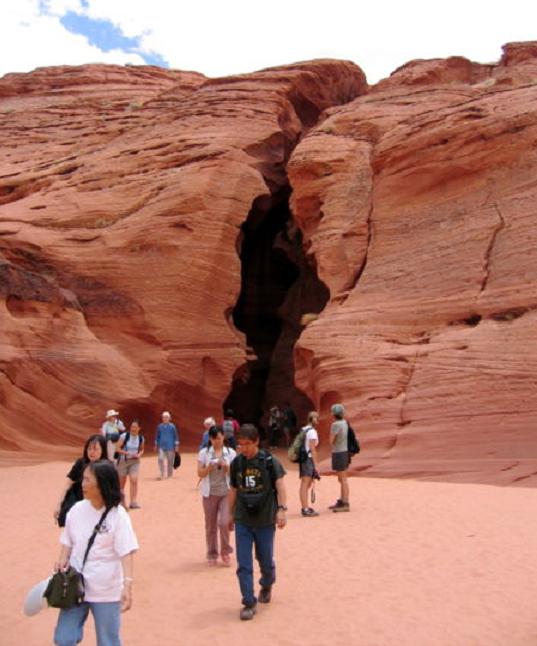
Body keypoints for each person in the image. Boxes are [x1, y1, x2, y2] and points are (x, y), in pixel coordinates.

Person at [52, 460, 138, 646]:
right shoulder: (76, 510)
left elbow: (126, 552)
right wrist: (61, 560)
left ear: (102, 483)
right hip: (76, 586)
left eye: (87, 480)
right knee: (63, 638)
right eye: (83, 480)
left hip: (106, 590)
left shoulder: (118, 515)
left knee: (108, 641)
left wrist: (127, 585)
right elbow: (67, 542)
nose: (82, 484)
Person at [228, 424, 287, 621]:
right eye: (240, 444)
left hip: (264, 520)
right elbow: (234, 490)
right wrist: (229, 514)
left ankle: (267, 582)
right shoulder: (237, 463)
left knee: (265, 560)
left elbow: (280, 485)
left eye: (246, 444)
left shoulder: (269, 462)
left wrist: (282, 510)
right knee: (243, 563)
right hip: (243, 519)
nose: (243, 448)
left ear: (256, 442)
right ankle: (248, 602)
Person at [197, 426, 236, 566]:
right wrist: (208, 467)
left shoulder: (230, 453)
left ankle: (225, 551)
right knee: (210, 525)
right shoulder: (204, 453)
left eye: (218, 438)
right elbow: (199, 473)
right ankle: (212, 553)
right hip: (209, 493)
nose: (216, 441)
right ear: (210, 439)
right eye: (213, 439)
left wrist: (226, 467)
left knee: (224, 522)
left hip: (226, 492)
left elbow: (236, 474)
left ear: (223, 437)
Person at [53, 435, 108, 527]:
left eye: (95, 449)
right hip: (78, 502)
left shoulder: (107, 468)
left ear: (103, 450)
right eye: (89, 449)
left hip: (97, 507)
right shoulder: (80, 463)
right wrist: (59, 504)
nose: (91, 452)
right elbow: (68, 484)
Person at [116, 420, 145, 509]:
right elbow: (117, 448)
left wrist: (139, 455)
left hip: (134, 461)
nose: (133, 429)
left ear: (139, 428)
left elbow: (142, 449)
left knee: (134, 479)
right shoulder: (124, 436)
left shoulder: (141, 438)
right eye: (132, 427)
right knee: (122, 483)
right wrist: (127, 453)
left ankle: (133, 502)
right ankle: (120, 502)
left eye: (135, 427)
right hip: (123, 461)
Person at [329, 403, 350, 512]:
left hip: (338, 452)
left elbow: (331, 440)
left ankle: (345, 502)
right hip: (344, 452)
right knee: (341, 478)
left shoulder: (335, 425)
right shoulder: (345, 423)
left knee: (343, 479)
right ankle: (342, 500)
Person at [299, 411, 320, 517]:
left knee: (307, 482)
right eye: (317, 419)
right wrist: (316, 465)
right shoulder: (312, 432)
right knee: (305, 483)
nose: (318, 421)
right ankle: (305, 508)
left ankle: (305, 506)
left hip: (304, 459)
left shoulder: (304, 429)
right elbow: (312, 448)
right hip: (308, 459)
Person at [155, 411, 179, 479]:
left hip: (170, 446)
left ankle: (169, 475)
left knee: (170, 461)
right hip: (161, 446)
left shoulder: (172, 426)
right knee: (160, 459)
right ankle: (162, 473)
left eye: (166, 417)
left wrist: (176, 445)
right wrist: (156, 444)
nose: (165, 418)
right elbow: (157, 436)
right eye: (163, 417)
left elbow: (176, 436)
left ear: (169, 418)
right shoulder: (159, 426)